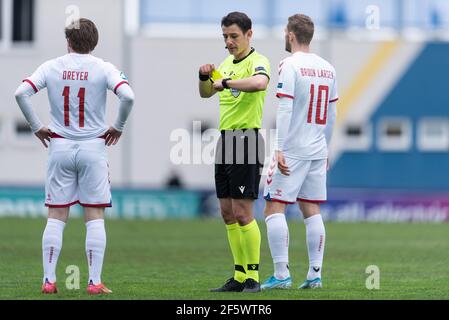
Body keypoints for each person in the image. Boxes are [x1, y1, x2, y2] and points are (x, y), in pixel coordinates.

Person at [14, 18, 135, 295]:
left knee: (56, 215)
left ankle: (49, 280)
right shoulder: (104, 68)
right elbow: (128, 97)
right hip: (93, 146)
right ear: (94, 43)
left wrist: (35, 127)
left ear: (68, 42)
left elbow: (21, 93)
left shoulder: (51, 66)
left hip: (59, 146)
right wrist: (118, 126)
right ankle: (94, 282)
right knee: (94, 215)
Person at [261, 14, 338, 290]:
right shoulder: (328, 68)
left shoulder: (289, 65)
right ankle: (314, 274)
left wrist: (279, 146)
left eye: (285, 32)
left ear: (291, 35)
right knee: (311, 208)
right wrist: (326, 147)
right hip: (317, 148)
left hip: (293, 148)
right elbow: (331, 113)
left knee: (273, 207)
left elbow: (285, 107)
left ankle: (281, 275)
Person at [198, 12, 270, 293]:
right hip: (226, 141)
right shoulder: (226, 64)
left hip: (246, 140)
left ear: (249, 34)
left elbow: (259, 84)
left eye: (234, 36)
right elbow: (206, 93)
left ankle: (253, 276)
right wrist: (204, 76)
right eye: (225, 37)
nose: (228, 42)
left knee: (243, 212)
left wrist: (225, 83)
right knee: (227, 213)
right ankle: (239, 276)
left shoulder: (257, 61)